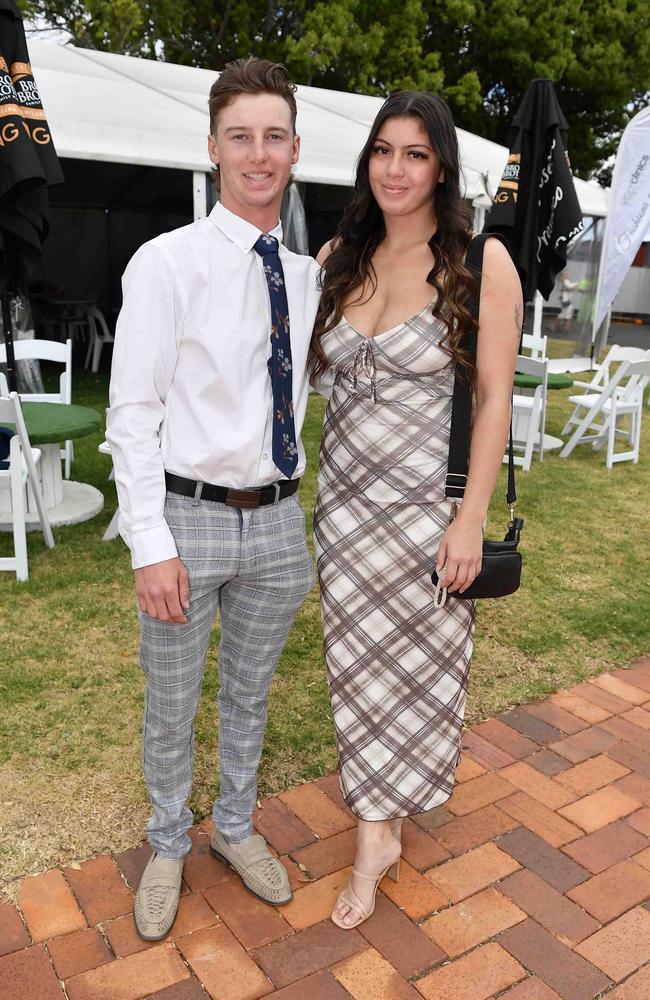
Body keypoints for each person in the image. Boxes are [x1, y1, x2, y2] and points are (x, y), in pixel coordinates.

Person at [106, 57, 319, 941]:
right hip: (187, 517)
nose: (258, 154)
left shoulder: (307, 277)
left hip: (277, 520)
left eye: (274, 136)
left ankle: (232, 826)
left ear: (296, 149)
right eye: (241, 137)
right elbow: (132, 408)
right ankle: (166, 842)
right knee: (171, 693)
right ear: (213, 147)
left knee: (251, 692)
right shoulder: (166, 263)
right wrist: (149, 540)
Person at [311, 91, 521, 929]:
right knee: (357, 678)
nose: (396, 170)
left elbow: (495, 398)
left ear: (441, 166)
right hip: (343, 515)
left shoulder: (480, 262)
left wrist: (469, 518)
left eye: (415, 154)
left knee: (420, 680)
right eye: (383, 152)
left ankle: (375, 846)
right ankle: (379, 827)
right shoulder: (338, 255)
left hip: (424, 515)